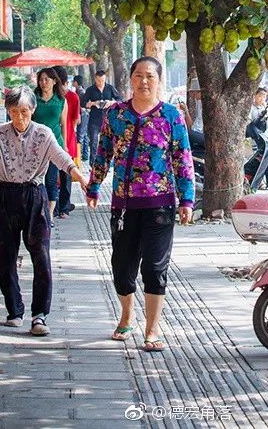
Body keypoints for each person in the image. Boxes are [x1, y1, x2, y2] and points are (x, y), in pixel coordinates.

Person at [86, 56, 195, 352]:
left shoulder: (171, 116)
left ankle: (152, 329)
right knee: (122, 267)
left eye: (150, 76)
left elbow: (182, 159)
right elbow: (102, 153)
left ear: (158, 81)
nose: (144, 81)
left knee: (155, 268)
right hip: (123, 203)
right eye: (138, 75)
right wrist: (94, 186)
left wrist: (187, 199)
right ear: (130, 79)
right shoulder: (115, 115)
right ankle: (126, 315)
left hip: (160, 204)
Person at [0, 86, 87, 337]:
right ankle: (14, 310)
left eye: (25, 111)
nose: (20, 117)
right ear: (8, 111)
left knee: (41, 256)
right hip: (3, 196)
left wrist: (80, 176)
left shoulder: (44, 133)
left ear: (33, 110)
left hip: (34, 195)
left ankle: (39, 315)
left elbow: (61, 157)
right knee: (4, 258)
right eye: (15, 112)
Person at [33, 68, 68, 223]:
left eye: (47, 79)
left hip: (55, 145)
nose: (43, 82)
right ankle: (36, 211)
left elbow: (63, 125)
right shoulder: (33, 99)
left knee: (51, 181)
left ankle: (49, 214)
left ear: (55, 81)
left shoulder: (61, 100)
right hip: (35, 145)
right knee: (35, 180)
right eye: (41, 79)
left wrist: (65, 146)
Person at [53, 66, 80, 215]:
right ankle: (62, 207)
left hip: (64, 139)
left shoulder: (68, 97)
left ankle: (58, 207)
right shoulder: (72, 96)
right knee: (65, 174)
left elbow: (75, 120)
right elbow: (76, 120)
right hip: (67, 138)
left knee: (58, 174)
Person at [81, 70, 120, 166]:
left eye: (102, 81)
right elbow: (83, 102)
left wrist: (111, 103)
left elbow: (119, 99)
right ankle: (93, 163)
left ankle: (108, 162)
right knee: (94, 142)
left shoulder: (110, 88)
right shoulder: (90, 89)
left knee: (109, 141)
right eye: (98, 81)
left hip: (108, 119)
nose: (100, 83)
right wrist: (92, 103)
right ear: (95, 79)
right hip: (94, 119)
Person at [73, 75, 89, 161]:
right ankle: (85, 155)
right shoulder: (79, 91)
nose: (72, 83)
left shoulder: (81, 92)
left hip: (82, 115)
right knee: (84, 135)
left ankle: (79, 157)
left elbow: (81, 106)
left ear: (76, 82)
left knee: (80, 135)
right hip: (84, 115)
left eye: (73, 81)